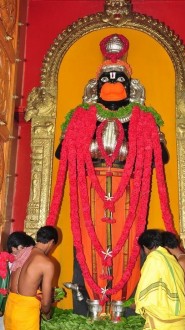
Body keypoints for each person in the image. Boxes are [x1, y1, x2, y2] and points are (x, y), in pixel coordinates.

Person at [47, 33, 174, 313]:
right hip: (90, 192)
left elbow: (159, 158)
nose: (113, 82)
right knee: (90, 243)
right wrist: (76, 134)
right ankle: (92, 303)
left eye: (119, 78)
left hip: (128, 191)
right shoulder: (83, 118)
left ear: (131, 87)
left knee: (126, 244)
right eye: (107, 78)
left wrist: (150, 135)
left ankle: (121, 304)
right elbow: (61, 153)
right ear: (95, 86)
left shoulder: (141, 120)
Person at [135, 229, 185, 330]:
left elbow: (145, 294)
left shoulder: (154, 259)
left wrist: (139, 306)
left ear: (146, 247)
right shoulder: (171, 259)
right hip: (182, 324)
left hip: (166, 326)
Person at [4, 225, 58, 330]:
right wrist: (47, 314)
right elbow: (45, 303)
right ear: (51, 242)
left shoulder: (23, 252)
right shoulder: (46, 263)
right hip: (25, 314)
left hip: (11, 308)